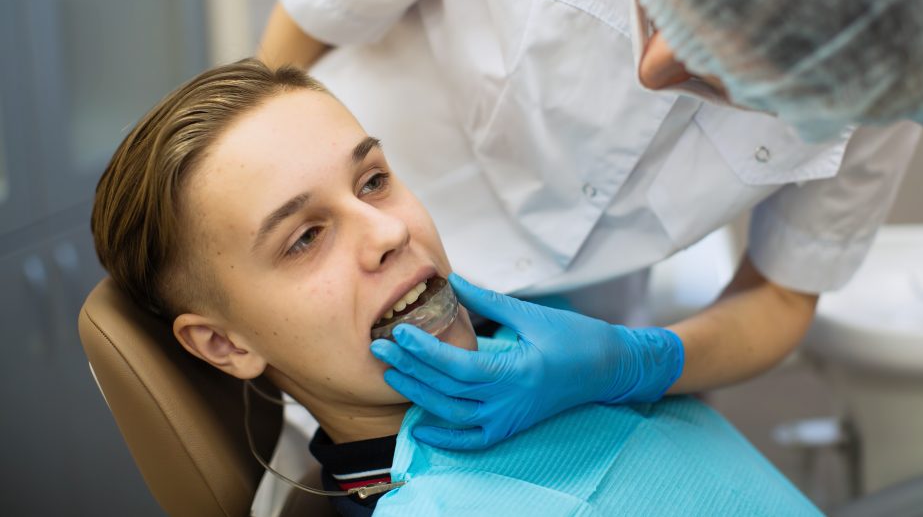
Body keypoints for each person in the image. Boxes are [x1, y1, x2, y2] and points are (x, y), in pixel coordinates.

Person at [259, 0, 923, 449]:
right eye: (657, 4)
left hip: (591, 315)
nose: (653, 71)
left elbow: (781, 294)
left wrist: (628, 364)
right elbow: (306, 26)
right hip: (333, 268)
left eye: (720, 82)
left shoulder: (880, 53)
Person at [90, 59, 822, 516]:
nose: (387, 232)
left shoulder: (548, 346)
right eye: (305, 237)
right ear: (224, 342)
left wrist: (636, 360)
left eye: (373, 180)